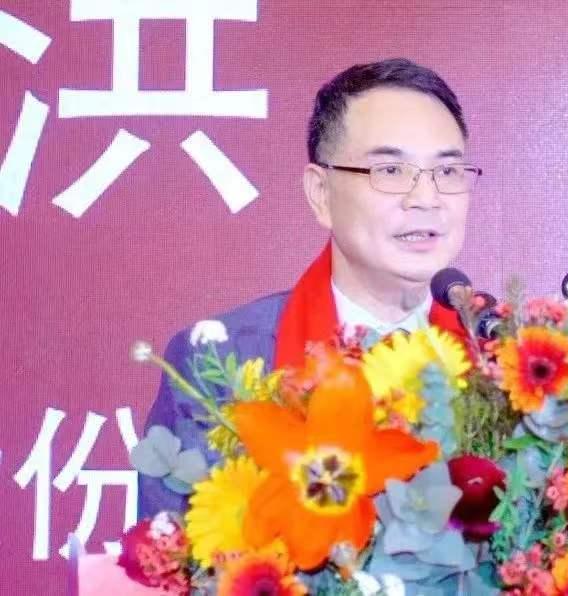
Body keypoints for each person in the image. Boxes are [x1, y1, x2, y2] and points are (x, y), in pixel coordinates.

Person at [138, 58, 481, 518]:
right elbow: (172, 553)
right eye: (390, 170)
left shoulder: (503, 360)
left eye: (448, 171)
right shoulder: (221, 364)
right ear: (321, 194)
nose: (426, 198)